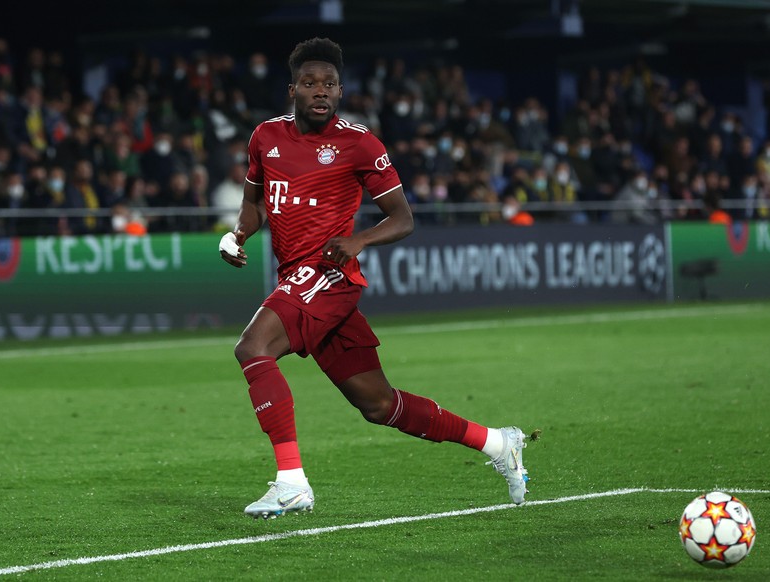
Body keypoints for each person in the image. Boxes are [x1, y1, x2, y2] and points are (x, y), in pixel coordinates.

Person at [218, 37, 536, 520]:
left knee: (251, 347)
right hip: (297, 278)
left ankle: (291, 482)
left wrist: (359, 241)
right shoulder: (265, 137)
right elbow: (254, 200)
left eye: (329, 84)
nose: (319, 91)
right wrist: (237, 234)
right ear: (292, 90)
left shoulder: (359, 143)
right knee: (378, 404)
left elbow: (403, 218)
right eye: (309, 83)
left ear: (341, 92)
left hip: (329, 274)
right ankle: (498, 443)